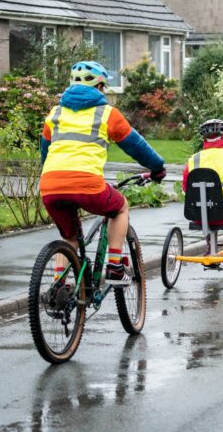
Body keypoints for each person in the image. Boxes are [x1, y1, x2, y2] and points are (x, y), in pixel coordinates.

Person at [40, 61, 166, 286]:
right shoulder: (107, 114)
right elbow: (136, 146)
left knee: (69, 236)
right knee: (119, 208)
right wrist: (157, 167)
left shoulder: (55, 114)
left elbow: (45, 152)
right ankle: (116, 266)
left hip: (50, 184)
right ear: (100, 87)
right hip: (86, 184)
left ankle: (59, 284)